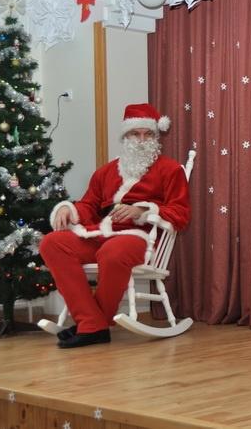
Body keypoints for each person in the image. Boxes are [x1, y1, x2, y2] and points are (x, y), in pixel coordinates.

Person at [40, 103, 190, 348]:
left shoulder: (170, 170)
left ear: (155, 136)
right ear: (125, 136)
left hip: (139, 238)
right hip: (101, 233)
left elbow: (181, 213)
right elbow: (88, 205)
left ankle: (91, 325)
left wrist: (144, 210)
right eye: (135, 133)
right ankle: (92, 323)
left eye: (148, 134)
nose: (141, 140)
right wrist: (69, 209)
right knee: (52, 243)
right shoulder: (105, 172)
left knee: (113, 252)